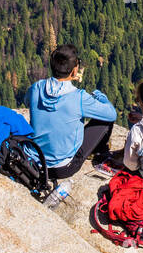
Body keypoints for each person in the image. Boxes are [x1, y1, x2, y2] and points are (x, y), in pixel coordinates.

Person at [25, 44, 117, 180]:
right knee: (104, 120)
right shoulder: (79, 97)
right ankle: (98, 152)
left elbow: (27, 101)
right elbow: (111, 114)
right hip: (62, 169)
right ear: (74, 71)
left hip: (34, 162)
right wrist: (100, 96)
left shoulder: (36, 88)